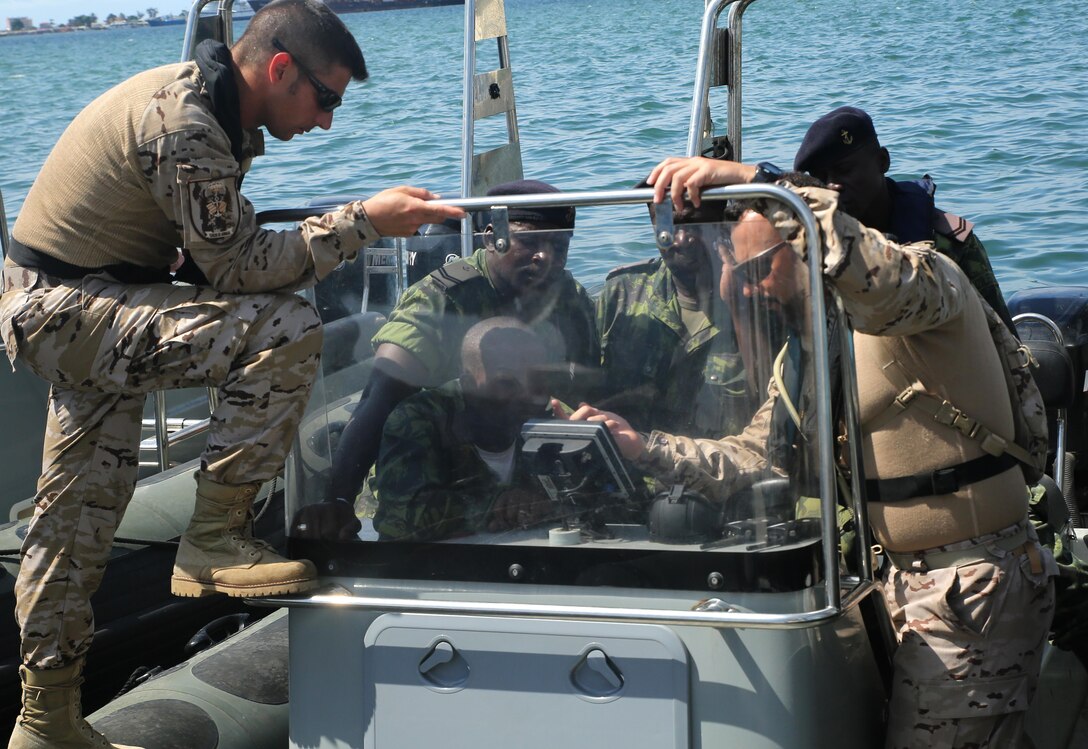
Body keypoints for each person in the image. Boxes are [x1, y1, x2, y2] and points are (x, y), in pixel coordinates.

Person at [0, 1, 464, 746]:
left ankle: (45, 719)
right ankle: (215, 536)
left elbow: (216, 250)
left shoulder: (215, 113)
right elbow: (243, 267)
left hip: (80, 304)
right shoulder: (186, 124)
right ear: (280, 69)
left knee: (76, 519)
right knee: (285, 327)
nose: (327, 123)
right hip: (67, 310)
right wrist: (365, 221)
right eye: (326, 99)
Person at [570, 156, 1056, 748]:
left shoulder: (926, 290)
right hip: (898, 583)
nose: (742, 289)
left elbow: (861, 263)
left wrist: (764, 183)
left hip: (976, 582)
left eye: (755, 269)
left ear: (804, 242)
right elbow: (754, 455)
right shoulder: (812, 350)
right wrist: (642, 447)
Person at [311, 179, 598, 537]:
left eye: (560, 246)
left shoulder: (569, 298)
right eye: (530, 242)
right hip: (433, 487)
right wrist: (338, 501)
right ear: (492, 236)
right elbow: (379, 397)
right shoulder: (443, 299)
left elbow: (588, 392)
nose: (547, 258)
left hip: (534, 481)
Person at [793, 105, 1017, 334]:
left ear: (882, 161)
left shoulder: (950, 243)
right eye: (821, 177)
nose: (832, 186)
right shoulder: (818, 252)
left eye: (845, 170)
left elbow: (1001, 333)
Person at [594, 183, 762, 439]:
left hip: (718, 470)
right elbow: (584, 384)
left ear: (721, 226)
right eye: (667, 226)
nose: (682, 239)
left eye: (695, 225)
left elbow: (773, 399)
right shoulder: (621, 296)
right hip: (630, 468)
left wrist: (739, 308)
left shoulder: (756, 301)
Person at [371, 317, 556, 541]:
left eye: (537, 380)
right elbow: (407, 514)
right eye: (506, 382)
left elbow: (592, 502)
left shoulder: (555, 418)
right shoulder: (420, 419)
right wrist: (494, 504)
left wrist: (606, 443)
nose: (528, 395)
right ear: (469, 384)